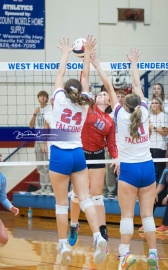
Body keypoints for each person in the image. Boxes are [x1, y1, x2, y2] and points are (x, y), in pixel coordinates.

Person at [90, 48, 159, 270]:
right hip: (147, 168)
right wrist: (134, 63)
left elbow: (109, 87)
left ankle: (124, 256)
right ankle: (154, 255)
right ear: (138, 104)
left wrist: (97, 65)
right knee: (147, 216)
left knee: (127, 216)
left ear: (124, 104)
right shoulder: (145, 112)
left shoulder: (119, 113)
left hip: (128, 170)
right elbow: (138, 86)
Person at [49, 36, 107, 266]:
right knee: (85, 199)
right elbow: (86, 80)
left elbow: (60, 74)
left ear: (65, 90)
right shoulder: (85, 101)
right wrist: (88, 57)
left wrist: (65, 53)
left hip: (59, 155)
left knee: (62, 204)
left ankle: (63, 244)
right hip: (77, 154)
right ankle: (96, 236)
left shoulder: (59, 98)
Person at [68, 88, 118, 247]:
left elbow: (111, 144)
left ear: (109, 102)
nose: (102, 95)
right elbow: (84, 82)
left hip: (97, 156)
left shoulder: (110, 121)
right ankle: (74, 225)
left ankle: (102, 233)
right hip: (81, 154)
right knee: (76, 195)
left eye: (105, 94)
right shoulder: (88, 107)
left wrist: (117, 158)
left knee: (97, 196)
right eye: (100, 94)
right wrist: (87, 62)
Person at [104, 89, 127, 199]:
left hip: (124, 145)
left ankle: (124, 190)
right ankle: (111, 190)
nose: (120, 98)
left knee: (124, 168)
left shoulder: (129, 113)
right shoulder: (109, 114)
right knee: (109, 168)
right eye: (118, 96)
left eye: (123, 96)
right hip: (111, 144)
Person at [29, 90, 52, 195]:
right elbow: (31, 126)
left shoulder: (49, 109)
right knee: (40, 165)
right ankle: (43, 187)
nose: (42, 98)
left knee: (47, 164)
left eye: (44, 96)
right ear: (38, 98)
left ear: (47, 98)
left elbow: (48, 126)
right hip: (37, 140)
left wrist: (45, 142)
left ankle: (49, 187)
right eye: (40, 96)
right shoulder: (37, 110)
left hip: (46, 140)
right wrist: (34, 114)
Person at [149, 97, 168, 183]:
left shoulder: (163, 116)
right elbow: (149, 133)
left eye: (156, 103)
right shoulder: (151, 116)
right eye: (153, 103)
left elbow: (165, 132)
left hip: (159, 146)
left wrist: (154, 127)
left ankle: (162, 190)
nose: (154, 105)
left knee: (160, 168)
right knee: (152, 169)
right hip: (151, 145)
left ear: (160, 105)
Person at [0, 168, 19, 245]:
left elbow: (3, 197)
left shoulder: (2, 178)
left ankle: (3, 229)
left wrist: (11, 207)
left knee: (4, 239)